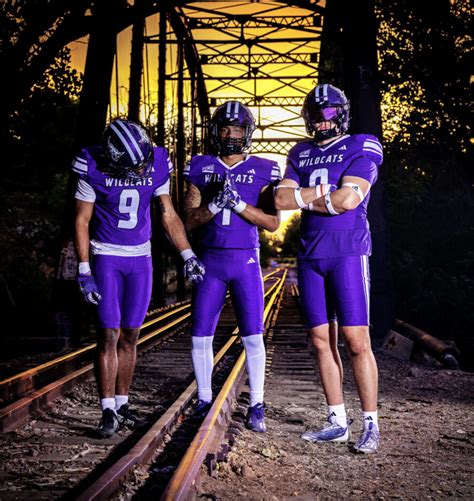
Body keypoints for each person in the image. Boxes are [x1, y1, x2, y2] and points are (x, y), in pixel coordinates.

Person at [73, 119, 205, 438]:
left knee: (131, 334)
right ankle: (107, 410)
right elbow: (82, 219)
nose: (142, 170)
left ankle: (122, 405)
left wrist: (187, 253)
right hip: (107, 256)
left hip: (140, 259)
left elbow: (168, 213)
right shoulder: (91, 163)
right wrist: (84, 269)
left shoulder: (157, 159)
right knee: (108, 333)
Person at [274, 83, 383, 453]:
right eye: (316, 116)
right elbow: (279, 197)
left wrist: (303, 198)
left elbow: (349, 199)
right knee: (321, 342)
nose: (322, 122)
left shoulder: (362, 144)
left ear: (343, 112)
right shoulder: (300, 152)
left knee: (356, 342)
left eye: (330, 113)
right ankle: (337, 420)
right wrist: (323, 197)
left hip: (348, 253)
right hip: (310, 256)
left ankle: (371, 423)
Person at [183, 101, 281, 432]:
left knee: (253, 335)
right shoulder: (200, 166)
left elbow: (271, 223)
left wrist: (238, 204)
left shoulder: (264, 168)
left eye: (237, 129)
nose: (230, 135)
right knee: (200, 334)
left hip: (246, 259)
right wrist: (213, 204)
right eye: (224, 128)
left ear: (247, 133)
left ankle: (257, 403)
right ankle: (204, 399)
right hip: (210, 258)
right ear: (214, 132)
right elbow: (188, 221)